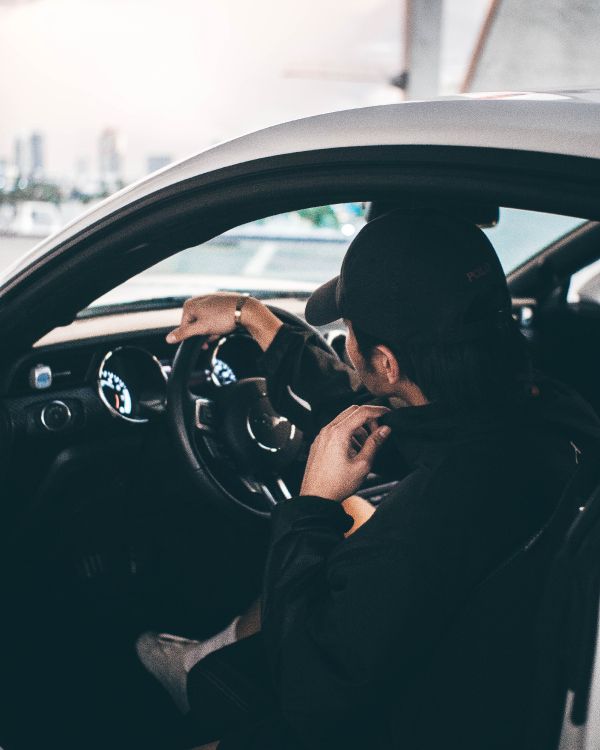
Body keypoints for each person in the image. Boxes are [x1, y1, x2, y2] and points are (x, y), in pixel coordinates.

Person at [137, 209, 600, 749]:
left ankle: (198, 673)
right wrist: (254, 318)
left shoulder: (423, 529)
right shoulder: (545, 412)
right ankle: (202, 657)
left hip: (419, 718)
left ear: (384, 363)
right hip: (503, 666)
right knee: (357, 522)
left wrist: (311, 505)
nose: (346, 341)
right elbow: (375, 407)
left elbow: (309, 696)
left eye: (350, 330)